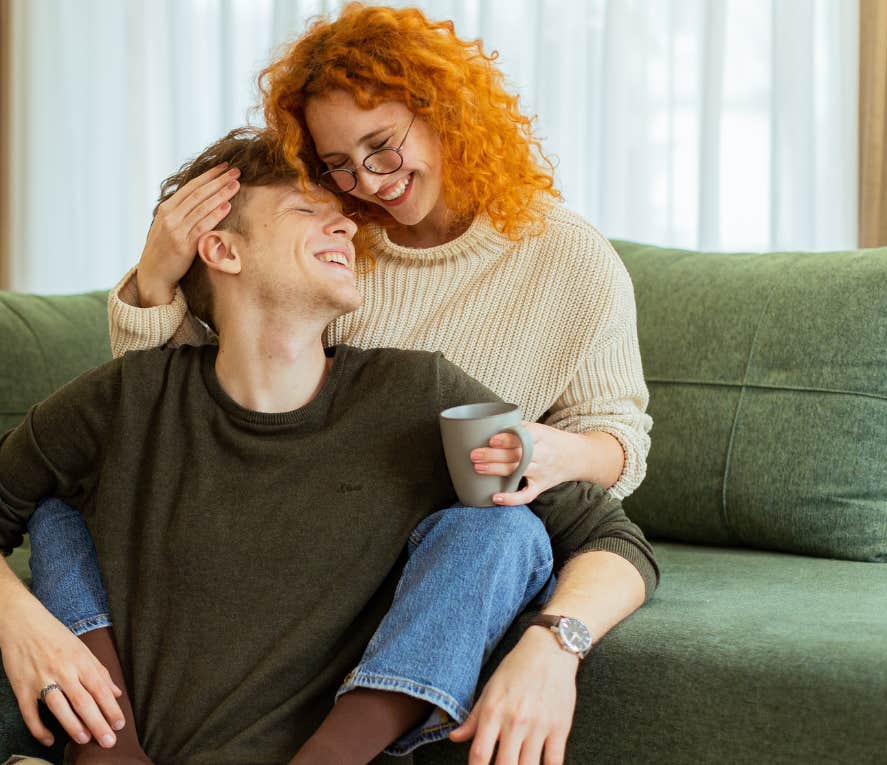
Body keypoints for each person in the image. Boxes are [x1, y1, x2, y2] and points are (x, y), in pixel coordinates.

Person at [0, 129, 657, 765]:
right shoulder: (128, 398)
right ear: (221, 250)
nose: (344, 229)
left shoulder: (419, 392)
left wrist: (556, 643)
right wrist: (20, 620)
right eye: (309, 211)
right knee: (54, 509)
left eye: (345, 221)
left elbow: (611, 539)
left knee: (504, 524)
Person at [92, 6, 656, 763]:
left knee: (500, 529)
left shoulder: (570, 263)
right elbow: (196, 396)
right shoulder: (336, 241)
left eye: (382, 148)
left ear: (444, 113)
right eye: (337, 164)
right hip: (306, 531)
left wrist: (562, 453)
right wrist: (157, 279)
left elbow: (621, 439)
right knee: (73, 494)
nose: (369, 183)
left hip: (450, 531)